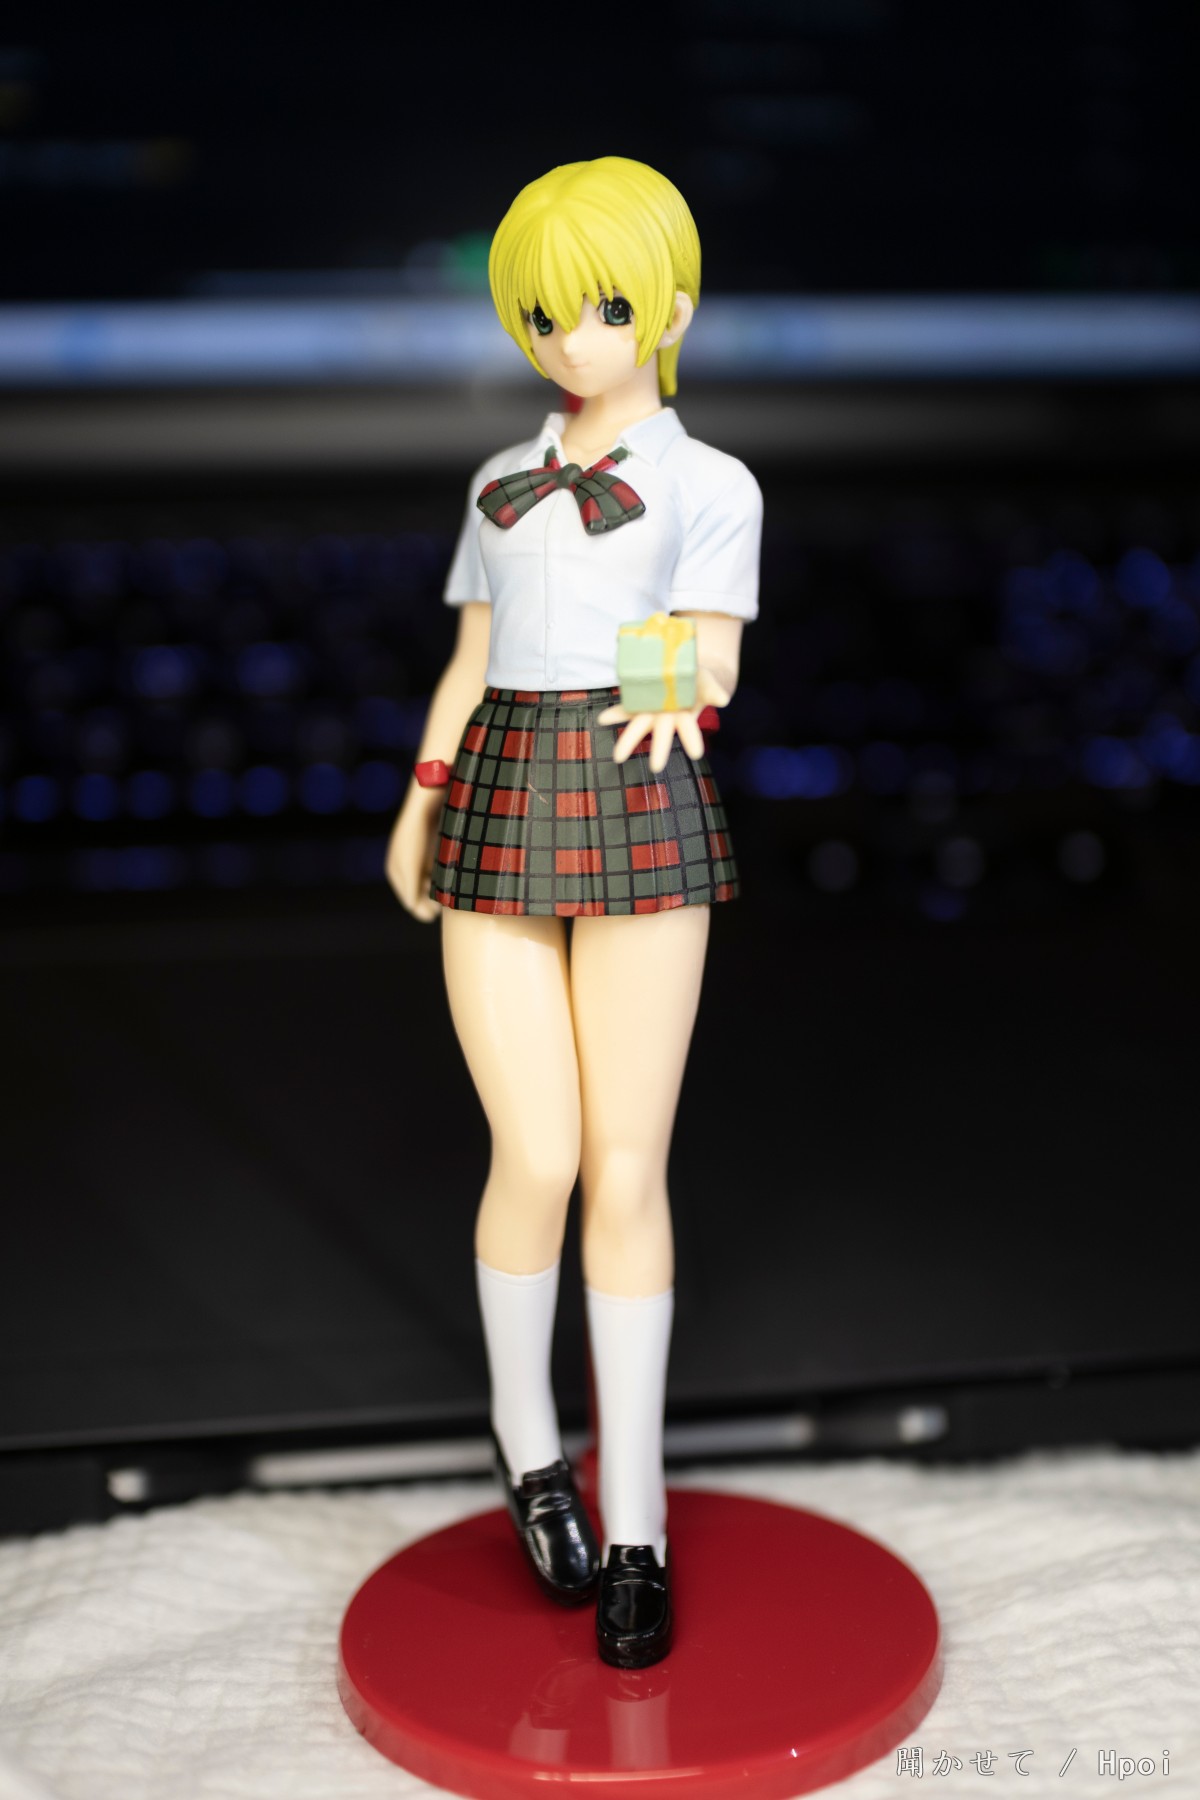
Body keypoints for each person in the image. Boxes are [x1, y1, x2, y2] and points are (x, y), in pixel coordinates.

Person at [386, 155, 761, 1668]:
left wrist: (682, 682)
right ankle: (528, 1442)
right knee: (533, 1151)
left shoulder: (711, 483)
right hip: (496, 786)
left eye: (601, 307)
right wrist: (421, 793)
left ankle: (637, 1518)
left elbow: (716, 655)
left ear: (669, 307)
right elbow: (470, 660)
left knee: (625, 1166)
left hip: (636, 786)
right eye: (544, 313)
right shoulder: (498, 479)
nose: (571, 339)